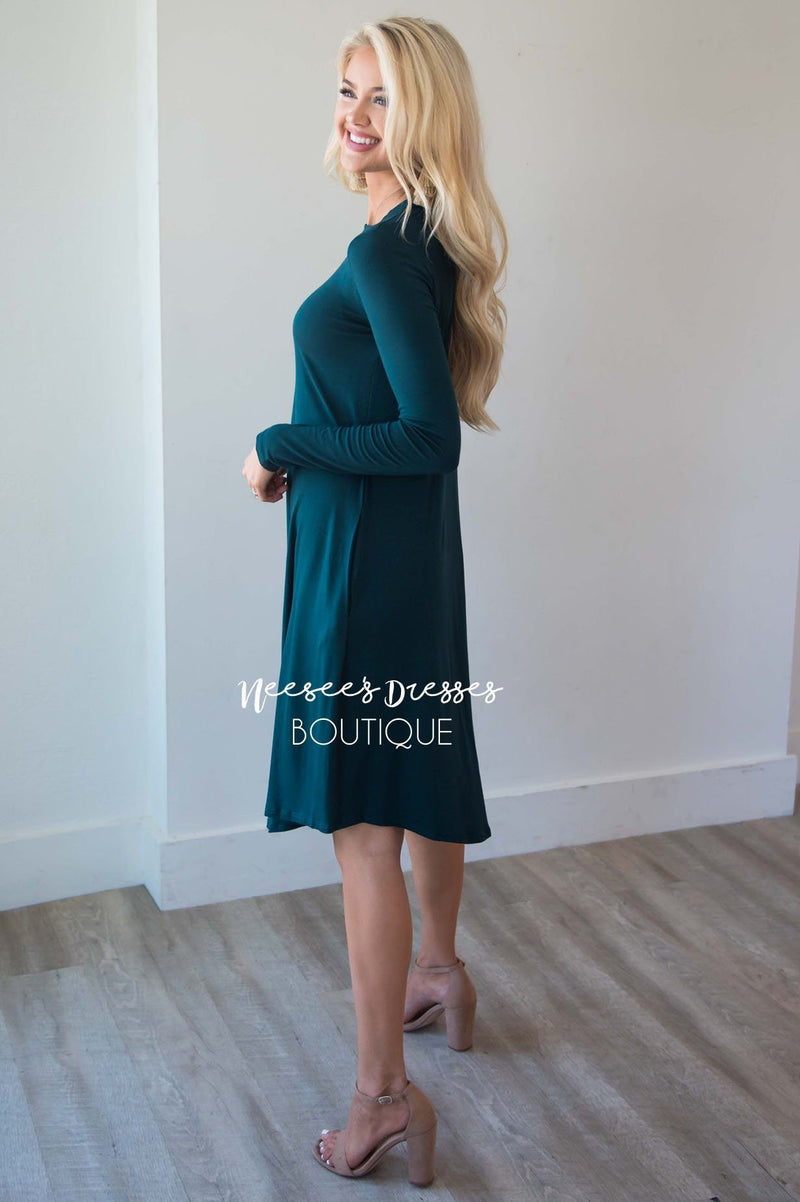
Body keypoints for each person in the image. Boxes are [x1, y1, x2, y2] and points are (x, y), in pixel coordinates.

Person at [242, 16, 507, 1185]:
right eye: (347, 90)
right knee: (418, 767)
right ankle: (437, 971)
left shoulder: (385, 251)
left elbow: (422, 436)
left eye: (382, 96)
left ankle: (379, 1099)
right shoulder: (422, 235)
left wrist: (277, 441)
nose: (354, 115)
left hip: (360, 565)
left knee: (363, 828)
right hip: (405, 558)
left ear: (425, 112)